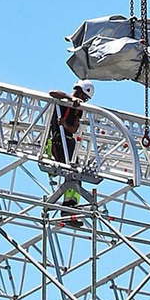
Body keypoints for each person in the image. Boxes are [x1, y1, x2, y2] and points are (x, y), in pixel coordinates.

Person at [45, 82, 93, 214]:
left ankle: (70, 205)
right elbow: (52, 93)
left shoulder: (79, 109)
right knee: (71, 171)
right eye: (83, 97)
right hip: (57, 141)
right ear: (78, 91)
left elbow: (74, 128)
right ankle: (68, 208)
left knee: (76, 172)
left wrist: (65, 124)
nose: (83, 100)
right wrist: (71, 99)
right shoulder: (63, 100)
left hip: (69, 141)